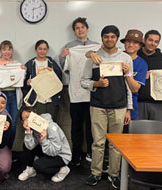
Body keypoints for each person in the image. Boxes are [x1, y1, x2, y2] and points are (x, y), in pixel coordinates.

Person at [81, 25, 133, 189]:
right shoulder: (94, 58)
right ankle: (95, 173)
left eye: (112, 37)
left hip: (119, 107)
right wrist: (96, 83)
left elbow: (128, 86)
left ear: (117, 39)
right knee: (98, 142)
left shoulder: (125, 58)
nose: (109, 39)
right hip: (98, 106)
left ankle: (114, 174)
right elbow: (83, 81)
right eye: (106, 36)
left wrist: (129, 108)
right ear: (102, 38)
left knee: (116, 144)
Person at [59, 17, 100, 165]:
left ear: (87, 29)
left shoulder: (97, 46)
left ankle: (90, 151)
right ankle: (76, 153)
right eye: (77, 28)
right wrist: (63, 57)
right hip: (76, 92)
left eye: (82, 27)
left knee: (91, 125)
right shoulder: (69, 47)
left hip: (93, 93)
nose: (80, 30)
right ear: (74, 31)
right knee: (76, 125)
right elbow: (65, 68)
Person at [0, 40, 26, 149]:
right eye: (4, 49)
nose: (7, 52)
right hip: (0, 95)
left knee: (12, 124)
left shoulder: (17, 65)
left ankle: (8, 150)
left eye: (9, 49)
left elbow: (23, 78)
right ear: (1, 51)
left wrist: (23, 71)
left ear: (12, 51)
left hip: (14, 95)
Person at [17, 107, 72, 183]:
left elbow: (55, 151)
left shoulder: (51, 126)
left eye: (28, 117)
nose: (27, 121)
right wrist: (28, 132)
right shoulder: (34, 127)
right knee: (26, 144)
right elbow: (30, 147)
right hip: (47, 150)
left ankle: (62, 169)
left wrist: (44, 140)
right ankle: (30, 169)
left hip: (61, 155)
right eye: (24, 119)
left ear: (36, 114)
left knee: (39, 165)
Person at [24, 40, 62, 121]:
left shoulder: (51, 63)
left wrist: (53, 74)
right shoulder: (30, 64)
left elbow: (59, 79)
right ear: (36, 49)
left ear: (47, 50)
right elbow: (24, 81)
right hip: (37, 99)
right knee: (37, 124)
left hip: (51, 98)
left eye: (44, 49)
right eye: (40, 49)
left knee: (51, 123)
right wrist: (28, 82)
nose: (42, 51)